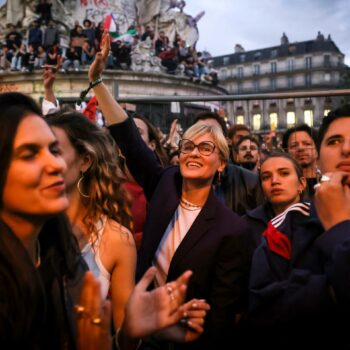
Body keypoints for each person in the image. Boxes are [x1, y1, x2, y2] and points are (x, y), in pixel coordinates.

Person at [0, 91, 209, 349]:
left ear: (85, 162)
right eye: (29, 154)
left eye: (54, 150)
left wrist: (128, 332)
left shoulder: (61, 257)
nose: (54, 165)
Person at [90, 31, 254, 350]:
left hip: (183, 339)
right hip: (135, 330)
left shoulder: (233, 231)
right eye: (188, 145)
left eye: (206, 148)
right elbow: (129, 138)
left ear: (222, 164)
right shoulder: (165, 182)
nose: (193, 152)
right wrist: (97, 83)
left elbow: (221, 316)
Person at [243, 106, 350, 348]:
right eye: (334, 141)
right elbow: (262, 308)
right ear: (318, 160)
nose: (346, 149)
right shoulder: (288, 225)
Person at [194, 112, 263, 215]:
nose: (205, 138)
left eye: (213, 132)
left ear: (225, 141)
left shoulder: (250, 182)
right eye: (199, 132)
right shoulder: (177, 179)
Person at [243, 151, 307, 246]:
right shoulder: (247, 225)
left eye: (284, 173)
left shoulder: (319, 219)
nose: (274, 181)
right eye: (266, 177)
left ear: (301, 184)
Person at [282, 123, 319, 199]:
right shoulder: (282, 184)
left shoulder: (330, 181)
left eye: (307, 144)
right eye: (294, 146)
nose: (300, 148)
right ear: (286, 152)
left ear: (317, 148)